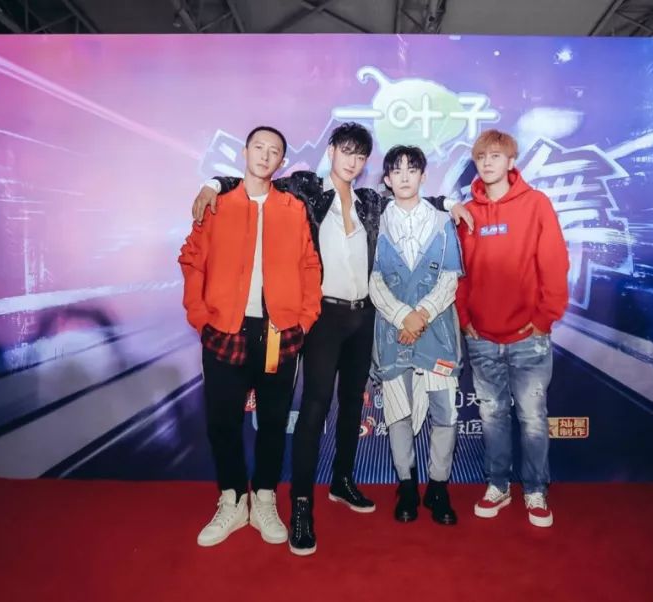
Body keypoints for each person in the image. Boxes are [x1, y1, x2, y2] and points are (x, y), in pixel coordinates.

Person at [191, 122, 473, 555]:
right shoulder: (305, 190)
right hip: (324, 315)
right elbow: (256, 179)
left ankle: (343, 480)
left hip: (366, 314)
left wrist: (450, 203)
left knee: (352, 402)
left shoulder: (370, 201)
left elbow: (413, 198)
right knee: (315, 405)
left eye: (360, 156)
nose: (352, 161)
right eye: (346, 151)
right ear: (331, 151)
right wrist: (214, 183)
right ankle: (301, 505)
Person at [178, 126, 322, 547]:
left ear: (281, 162)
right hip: (225, 327)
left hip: (279, 331)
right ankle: (232, 499)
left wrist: (304, 320)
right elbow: (192, 261)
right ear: (244, 152)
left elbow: (310, 265)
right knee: (222, 421)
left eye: (274, 151)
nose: (265, 155)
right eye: (259, 147)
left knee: (274, 422)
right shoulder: (217, 204)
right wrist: (201, 317)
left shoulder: (293, 208)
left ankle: (264, 498)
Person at [456, 129, 569, 528]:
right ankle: (498, 485)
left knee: (533, 418)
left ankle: (535, 490)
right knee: (492, 417)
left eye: (495, 156)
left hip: (528, 339)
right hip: (482, 339)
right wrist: (465, 320)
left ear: (511, 161)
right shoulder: (467, 213)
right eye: (481, 156)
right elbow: (460, 273)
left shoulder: (536, 204)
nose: (487, 163)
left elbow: (554, 264)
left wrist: (543, 319)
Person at [369, 145, 464, 526]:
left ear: (424, 176)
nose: (405, 176)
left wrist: (421, 315)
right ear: (387, 179)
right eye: (397, 170)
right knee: (397, 414)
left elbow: (450, 279)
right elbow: (373, 280)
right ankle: (406, 486)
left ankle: (438, 486)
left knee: (445, 412)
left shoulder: (442, 222)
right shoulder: (376, 222)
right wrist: (401, 317)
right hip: (392, 333)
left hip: (437, 331)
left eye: (412, 169)